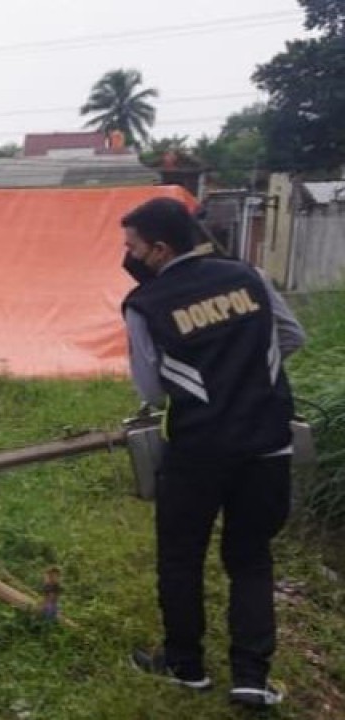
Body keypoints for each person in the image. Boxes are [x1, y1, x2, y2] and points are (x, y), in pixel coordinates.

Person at [119, 197, 306, 708]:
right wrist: (243, 373)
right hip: (268, 444)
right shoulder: (249, 277)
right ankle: (251, 678)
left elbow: (154, 391)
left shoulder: (145, 304)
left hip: (198, 450)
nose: (127, 256)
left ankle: (186, 667)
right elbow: (291, 336)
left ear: (159, 249)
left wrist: (209, 384)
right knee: (250, 558)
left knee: (181, 558)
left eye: (132, 247)